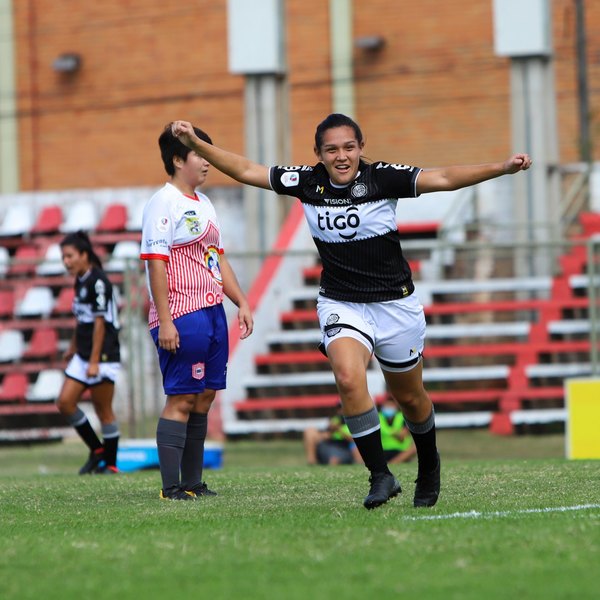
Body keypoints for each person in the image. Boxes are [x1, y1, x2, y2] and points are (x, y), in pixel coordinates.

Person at [171, 114, 532, 509]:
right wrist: (196, 142)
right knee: (347, 376)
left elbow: (443, 177)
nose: (341, 156)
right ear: (319, 154)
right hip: (341, 302)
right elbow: (245, 169)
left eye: (348, 147)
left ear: (361, 148)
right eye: (331, 149)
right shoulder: (307, 182)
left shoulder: (383, 178)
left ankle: (429, 464)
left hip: (395, 304)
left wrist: (502, 168)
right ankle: (381, 475)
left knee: (410, 399)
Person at [141, 124, 253, 501]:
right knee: (182, 398)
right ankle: (170, 487)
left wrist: (242, 301)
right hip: (182, 314)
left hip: (212, 313)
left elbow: (216, 259)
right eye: (199, 153)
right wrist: (167, 319)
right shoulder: (162, 202)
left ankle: (192, 483)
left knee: (204, 396)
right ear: (177, 159)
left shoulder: (205, 204)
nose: (207, 162)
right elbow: (156, 264)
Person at [57, 231, 121, 475]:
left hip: (102, 354)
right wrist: (72, 348)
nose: (66, 262)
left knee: (103, 409)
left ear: (84, 255)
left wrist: (94, 361)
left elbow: (100, 323)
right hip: (84, 353)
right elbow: (82, 318)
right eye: (63, 257)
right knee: (65, 402)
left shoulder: (98, 281)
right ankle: (97, 451)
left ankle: (111, 464)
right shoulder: (81, 279)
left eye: (70, 256)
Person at [378, 396, 417, 464]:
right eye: (387, 405)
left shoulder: (402, 417)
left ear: (396, 407)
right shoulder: (377, 417)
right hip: (382, 450)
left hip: (400, 450)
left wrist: (390, 433)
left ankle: (392, 463)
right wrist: (394, 433)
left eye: (391, 405)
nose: (388, 408)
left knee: (414, 448)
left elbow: (402, 437)